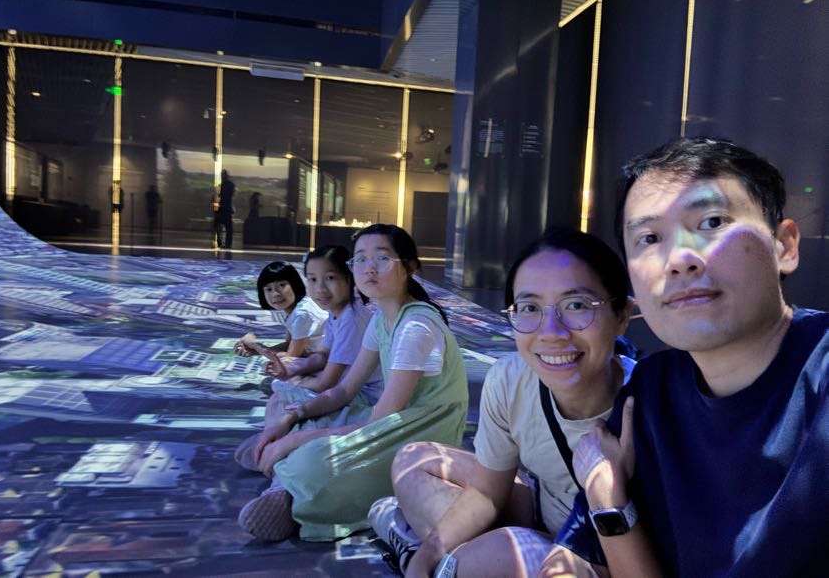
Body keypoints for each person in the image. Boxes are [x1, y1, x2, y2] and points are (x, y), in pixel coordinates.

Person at [542, 138, 828, 578]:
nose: (678, 259)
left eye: (712, 222)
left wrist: (609, 501)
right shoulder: (652, 392)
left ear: (783, 246)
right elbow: (572, 560)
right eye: (649, 238)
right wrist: (606, 498)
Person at [370, 228, 636, 577]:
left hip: (601, 552)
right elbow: (487, 491)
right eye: (529, 308)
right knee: (413, 460)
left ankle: (422, 544)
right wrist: (427, 557)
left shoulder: (653, 404)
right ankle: (435, 554)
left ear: (622, 316)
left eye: (576, 305)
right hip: (537, 510)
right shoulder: (511, 379)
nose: (551, 333)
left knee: (510, 550)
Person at [236, 224, 469, 543]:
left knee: (313, 461)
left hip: (419, 432)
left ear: (410, 267)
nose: (368, 268)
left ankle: (285, 492)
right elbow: (345, 390)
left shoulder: (415, 326)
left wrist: (295, 439)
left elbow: (380, 420)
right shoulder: (381, 318)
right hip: (391, 415)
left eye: (382, 258)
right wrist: (293, 417)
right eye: (360, 259)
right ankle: (282, 467)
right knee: (300, 411)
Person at [233, 245, 383, 474]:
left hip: (366, 398)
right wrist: (292, 371)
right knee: (283, 394)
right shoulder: (337, 312)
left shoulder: (350, 318)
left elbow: (326, 383)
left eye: (330, 278)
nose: (320, 288)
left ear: (350, 277)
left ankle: (281, 464)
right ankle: (277, 449)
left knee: (285, 397)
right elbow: (321, 355)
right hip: (349, 384)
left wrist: (294, 379)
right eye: (312, 279)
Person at [235, 261, 327, 363]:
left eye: (282, 285)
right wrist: (256, 350)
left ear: (295, 284)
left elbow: (289, 360)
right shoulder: (295, 308)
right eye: (269, 289)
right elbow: (288, 345)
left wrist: (255, 345)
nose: (275, 294)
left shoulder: (302, 314)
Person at [217, 169, 235, 248]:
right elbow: (231, 195)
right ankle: (228, 244)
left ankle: (220, 243)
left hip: (222, 209)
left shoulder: (221, 186)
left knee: (220, 227)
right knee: (229, 229)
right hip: (227, 209)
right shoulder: (231, 185)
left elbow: (219, 196)